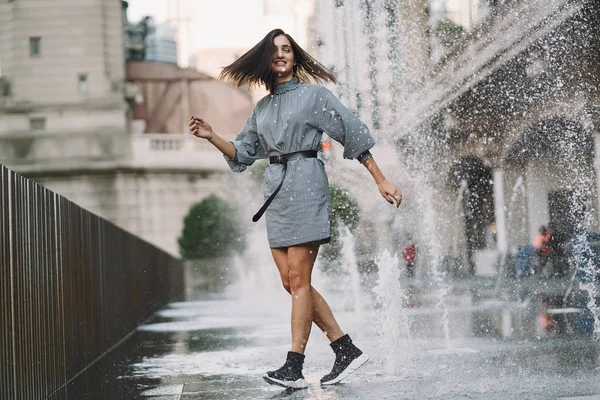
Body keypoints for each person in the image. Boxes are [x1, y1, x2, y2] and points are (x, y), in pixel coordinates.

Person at [188, 28, 402, 389]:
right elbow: (243, 154)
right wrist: (212, 137)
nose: (281, 55)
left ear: (294, 56)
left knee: (300, 280)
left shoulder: (314, 95)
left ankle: (294, 366)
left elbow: (351, 132)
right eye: (274, 51)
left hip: (306, 184)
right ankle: (345, 348)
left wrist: (380, 179)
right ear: (266, 61)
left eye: (287, 49)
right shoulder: (263, 107)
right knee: (291, 282)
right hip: (277, 191)